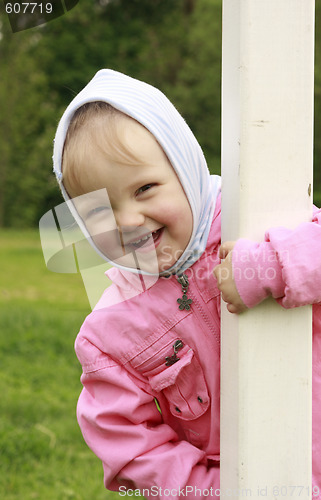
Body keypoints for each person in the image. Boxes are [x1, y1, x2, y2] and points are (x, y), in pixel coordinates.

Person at [52, 69, 321, 498]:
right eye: (100, 212)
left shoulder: (259, 219)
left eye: (145, 188)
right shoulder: (109, 333)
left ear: (185, 168)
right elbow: (130, 449)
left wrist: (271, 266)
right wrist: (219, 492)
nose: (127, 220)